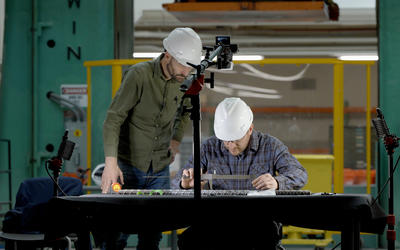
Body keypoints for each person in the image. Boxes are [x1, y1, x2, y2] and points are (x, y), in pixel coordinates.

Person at [101, 27, 202, 250]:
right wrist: (111, 164)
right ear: (167, 55)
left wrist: (175, 139)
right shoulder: (139, 75)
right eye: (183, 65)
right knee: (116, 235)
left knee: (152, 236)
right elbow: (113, 119)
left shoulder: (183, 81)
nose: (186, 72)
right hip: (128, 166)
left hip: (159, 169)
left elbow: (185, 111)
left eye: (190, 67)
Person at [172, 97, 308, 250]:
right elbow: (177, 181)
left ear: (250, 129)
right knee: (188, 241)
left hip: (259, 221)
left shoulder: (270, 145)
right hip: (217, 220)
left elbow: (300, 173)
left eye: (236, 140)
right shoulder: (209, 147)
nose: (231, 145)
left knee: (265, 238)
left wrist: (277, 183)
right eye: (226, 140)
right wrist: (185, 184)